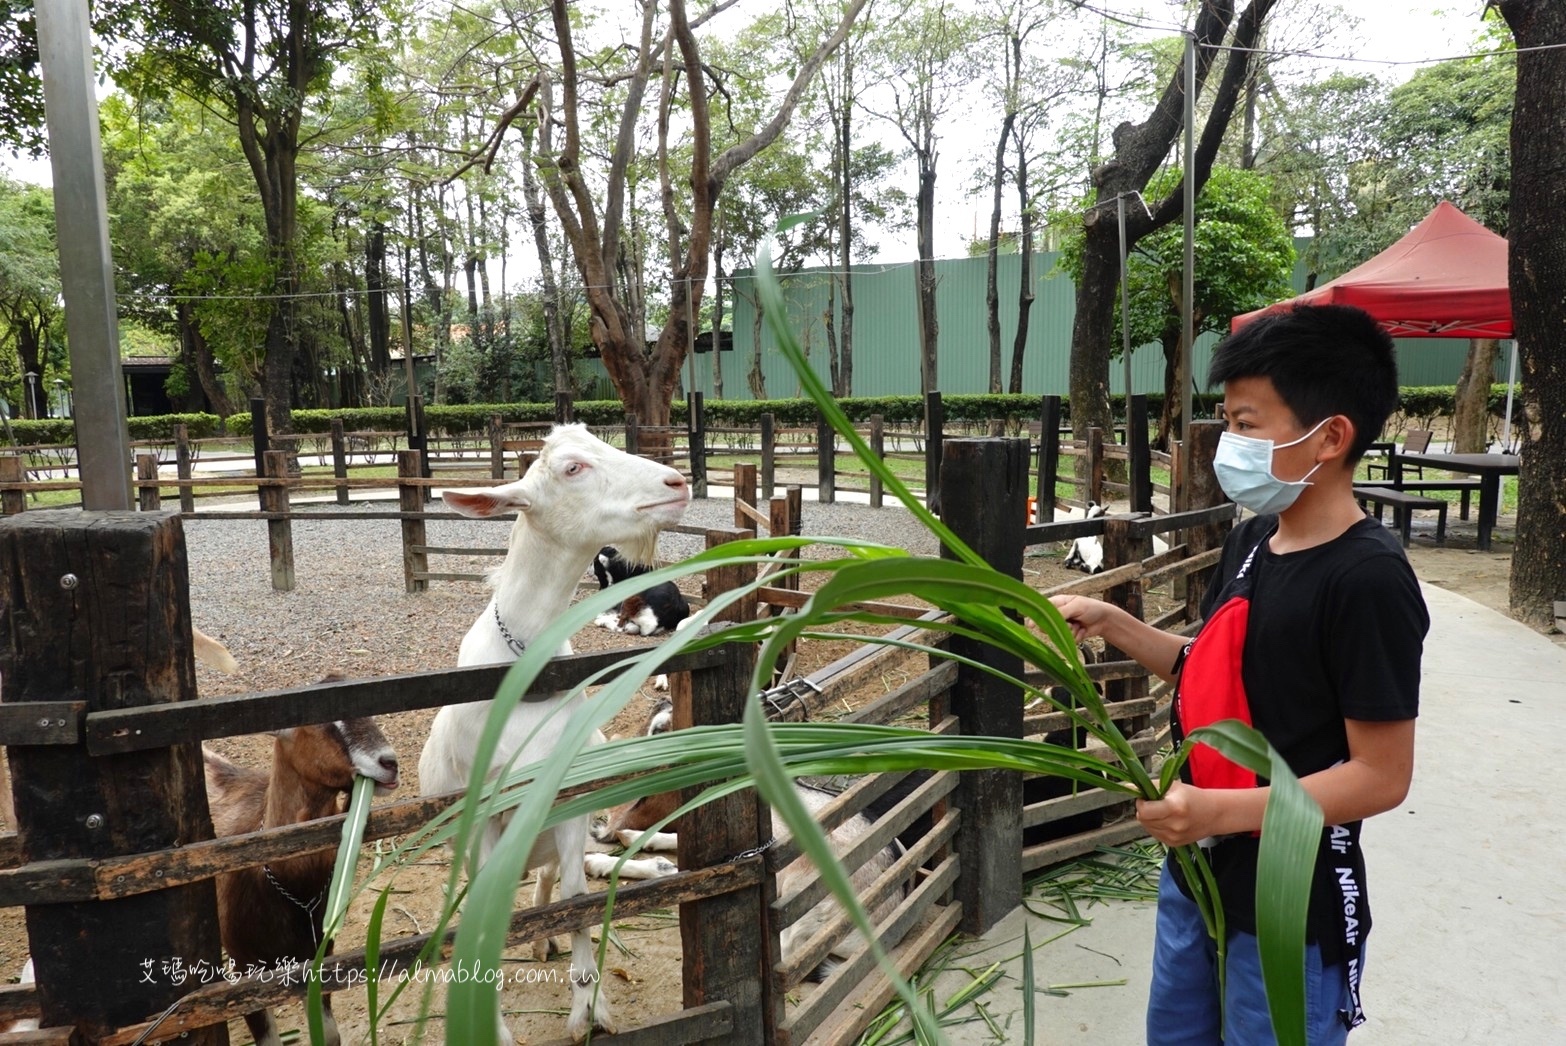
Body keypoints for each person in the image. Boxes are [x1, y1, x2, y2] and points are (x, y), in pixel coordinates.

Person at [1052, 304, 1427, 1045]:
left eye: (1248, 424)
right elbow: (1215, 671)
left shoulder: (1368, 580)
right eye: (1228, 421)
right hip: (1197, 874)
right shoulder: (1255, 540)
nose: (1231, 443)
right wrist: (1115, 625)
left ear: (1330, 437)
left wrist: (1218, 813)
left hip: (1290, 894)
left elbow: (1381, 776)